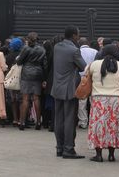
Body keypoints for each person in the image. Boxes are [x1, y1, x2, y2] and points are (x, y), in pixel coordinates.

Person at [52, 25, 86, 159]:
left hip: (57, 87)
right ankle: (69, 149)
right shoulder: (74, 50)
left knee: (58, 119)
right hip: (70, 88)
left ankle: (59, 147)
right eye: (78, 35)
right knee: (69, 120)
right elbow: (83, 66)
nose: (79, 37)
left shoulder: (56, 47)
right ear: (73, 36)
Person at [87, 44, 119, 162]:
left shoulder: (95, 64)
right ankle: (111, 155)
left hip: (99, 99)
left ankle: (98, 155)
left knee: (98, 126)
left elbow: (86, 74)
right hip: (115, 99)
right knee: (112, 126)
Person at [16, 33, 46, 130]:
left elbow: (19, 61)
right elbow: (44, 64)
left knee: (25, 98)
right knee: (36, 98)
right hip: (38, 74)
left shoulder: (26, 48)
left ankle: (22, 122)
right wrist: (44, 78)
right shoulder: (42, 49)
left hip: (26, 74)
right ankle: (38, 122)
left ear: (29, 39)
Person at [77, 37, 97, 129]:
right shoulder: (95, 51)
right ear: (87, 43)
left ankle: (83, 122)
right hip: (93, 78)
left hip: (82, 79)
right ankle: (93, 122)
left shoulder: (77, 51)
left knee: (82, 101)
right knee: (92, 101)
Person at [5, 37, 24, 127]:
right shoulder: (22, 55)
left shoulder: (8, 56)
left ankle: (15, 119)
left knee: (13, 100)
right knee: (21, 100)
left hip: (11, 81)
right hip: (21, 80)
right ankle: (21, 119)